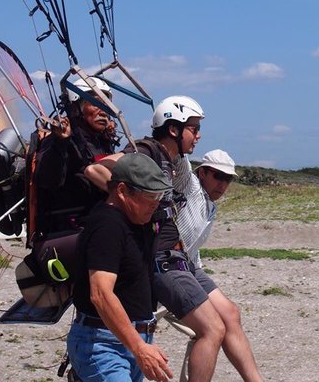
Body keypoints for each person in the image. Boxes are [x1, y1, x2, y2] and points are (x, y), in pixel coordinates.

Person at [85, 96, 225, 382]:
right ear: (174, 129)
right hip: (161, 262)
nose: (198, 136)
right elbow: (95, 169)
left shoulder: (173, 161)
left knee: (226, 320)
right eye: (194, 129)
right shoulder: (148, 152)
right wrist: (130, 199)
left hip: (158, 274)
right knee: (212, 328)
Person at [67, 152, 174, 382]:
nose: (156, 203)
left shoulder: (139, 221)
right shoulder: (107, 225)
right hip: (102, 344)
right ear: (123, 191)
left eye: (160, 195)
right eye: (150, 195)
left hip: (132, 339)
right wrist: (139, 348)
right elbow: (100, 294)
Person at [174, 149, 263, 381]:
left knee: (229, 315)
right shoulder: (189, 185)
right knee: (209, 328)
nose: (223, 185)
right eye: (218, 176)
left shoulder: (210, 206)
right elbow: (178, 156)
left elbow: (192, 243)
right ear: (202, 172)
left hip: (189, 266)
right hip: (165, 267)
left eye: (228, 179)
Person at [33, 77, 118, 237]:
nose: (103, 111)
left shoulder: (101, 141)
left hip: (99, 225)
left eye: (106, 104)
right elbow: (47, 180)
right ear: (76, 107)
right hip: (70, 232)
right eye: (95, 103)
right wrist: (61, 142)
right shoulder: (60, 139)